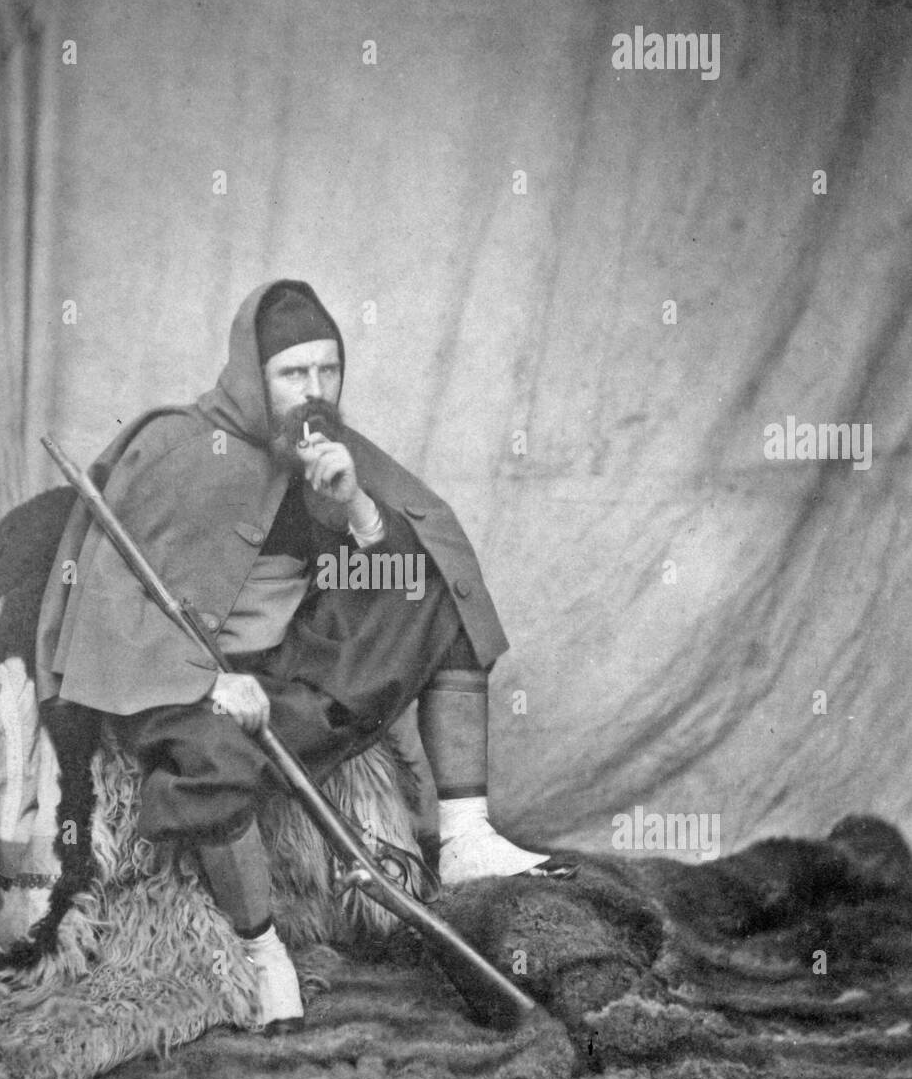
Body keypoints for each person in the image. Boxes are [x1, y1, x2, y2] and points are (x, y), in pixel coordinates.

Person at [37, 280, 553, 1032]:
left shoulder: (325, 448)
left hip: (286, 679)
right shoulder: (176, 446)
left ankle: (466, 834)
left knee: (433, 586)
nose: (314, 391)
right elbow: (110, 608)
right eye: (292, 374)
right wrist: (210, 682)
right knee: (209, 755)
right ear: (252, 373)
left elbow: (390, 579)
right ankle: (261, 950)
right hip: (177, 686)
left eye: (327, 370)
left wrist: (355, 510)